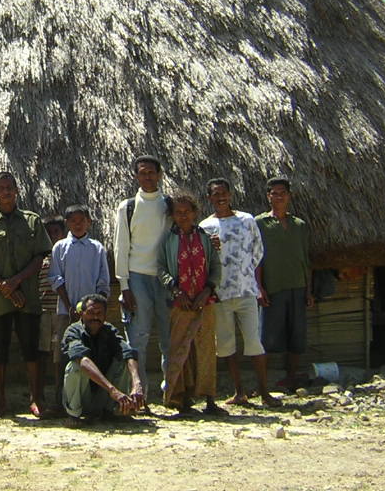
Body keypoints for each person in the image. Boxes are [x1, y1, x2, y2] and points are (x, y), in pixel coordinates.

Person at [0, 171, 52, 417]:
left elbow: (39, 257)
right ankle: (1, 401)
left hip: (28, 297)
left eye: (9, 187)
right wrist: (2, 286)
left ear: (16, 191)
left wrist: (15, 282)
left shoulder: (32, 221)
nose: (6, 192)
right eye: (1, 188)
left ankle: (35, 399)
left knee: (31, 348)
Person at [200, 177, 281, 407]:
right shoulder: (205, 227)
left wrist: (246, 275)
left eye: (224, 193)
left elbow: (257, 251)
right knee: (226, 345)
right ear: (209, 198)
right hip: (220, 295)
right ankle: (239, 392)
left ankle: (264, 392)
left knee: (254, 343)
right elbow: (203, 259)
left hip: (246, 292)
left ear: (230, 195)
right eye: (216, 194)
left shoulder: (247, 220)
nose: (220, 197)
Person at [157, 193, 226, 416]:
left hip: (204, 302)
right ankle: (181, 398)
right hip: (180, 304)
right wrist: (176, 291)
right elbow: (161, 269)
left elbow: (215, 266)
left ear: (195, 212)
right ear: (173, 215)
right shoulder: (168, 240)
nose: (183, 216)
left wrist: (207, 290)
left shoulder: (205, 237)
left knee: (206, 349)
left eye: (187, 211)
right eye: (178, 212)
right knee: (180, 350)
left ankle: (210, 399)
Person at [112, 155, 173, 399]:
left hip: (166, 278)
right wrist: (124, 285)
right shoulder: (127, 207)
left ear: (159, 175)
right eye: (142, 172)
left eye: (151, 172)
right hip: (137, 278)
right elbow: (120, 246)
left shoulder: (169, 205)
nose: (147, 177)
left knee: (169, 339)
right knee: (138, 338)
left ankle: (172, 391)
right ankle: (140, 394)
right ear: (136, 176)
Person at [48, 204, 111, 406]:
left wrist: (92, 310)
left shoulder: (97, 248)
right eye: (73, 221)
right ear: (67, 223)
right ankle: (61, 400)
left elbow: (103, 282)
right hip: (65, 312)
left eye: (81, 220)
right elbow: (56, 278)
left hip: (91, 315)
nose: (77, 224)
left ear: (89, 222)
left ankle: (90, 400)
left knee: (90, 353)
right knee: (61, 354)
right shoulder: (60, 248)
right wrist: (70, 306)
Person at [256, 177, 314, 392]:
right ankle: (264, 384)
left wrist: (308, 290)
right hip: (273, 287)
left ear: (289, 196)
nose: (279, 197)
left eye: (283, 193)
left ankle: (291, 378)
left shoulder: (299, 225)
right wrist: (259, 287)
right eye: (274, 193)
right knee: (266, 337)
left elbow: (305, 259)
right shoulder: (259, 224)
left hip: (297, 287)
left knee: (296, 337)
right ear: (268, 196)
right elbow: (256, 259)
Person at [61, 293, 145, 422]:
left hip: (104, 395)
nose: (95, 317)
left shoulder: (109, 331)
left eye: (99, 313)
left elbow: (128, 352)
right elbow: (83, 360)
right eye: (91, 313)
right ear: (81, 314)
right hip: (83, 396)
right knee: (76, 366)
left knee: (124, 361)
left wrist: (137, 383)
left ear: (105, 315)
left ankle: (114, 410)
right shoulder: (73, 331)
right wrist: (112, 390)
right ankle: (74, 415)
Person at [37, 214, 65, 391]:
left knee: (58, 353)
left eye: (56, 232)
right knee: (42, 351)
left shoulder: (65, 257)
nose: (53, 236)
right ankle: (38, 392)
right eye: (49, 233)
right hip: (43, 311)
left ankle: (59, 390)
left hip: (60, 311)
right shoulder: (39, 259)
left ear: (63, 233)